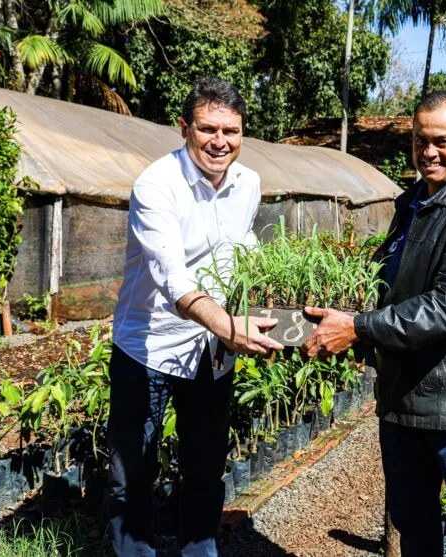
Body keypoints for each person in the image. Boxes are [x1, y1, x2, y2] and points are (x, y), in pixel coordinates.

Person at [303, 91, 446, 556]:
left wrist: (358, 327)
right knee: (413, 526)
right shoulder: (412, 203)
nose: (429, 152)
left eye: (442, 141)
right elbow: (392, 288)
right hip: (402, 396)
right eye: (420, 140)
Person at [108, 76, 283, 556]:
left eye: (231, 131)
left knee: (205, 468)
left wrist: (274, 308)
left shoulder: (248, 183)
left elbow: (240, 250)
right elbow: (173, 279)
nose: (220, 142)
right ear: (184, 127)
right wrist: (232, 328)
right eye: (208, 129)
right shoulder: (156, 185)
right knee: (132, 475)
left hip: (210, 352)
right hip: (148, 347)